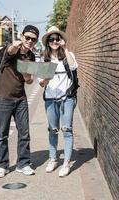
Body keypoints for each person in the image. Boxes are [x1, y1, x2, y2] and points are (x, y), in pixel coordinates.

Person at [0, 25, 39, 178]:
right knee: (2, 134)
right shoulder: (13, 50)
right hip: (3, 97)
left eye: (33, 39)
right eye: (27, 37)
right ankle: (2, 166)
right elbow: (10, 51)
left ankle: (23, 164)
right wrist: (15, 45)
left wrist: (28, 76)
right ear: (21, 36)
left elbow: (30, 80)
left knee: (24, 133)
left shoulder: (31, 57)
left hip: (21, 99)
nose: (30, 41)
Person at [39, 26, 78, 177]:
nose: (54, 41)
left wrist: (65, 48)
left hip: (67, 97)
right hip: (50, 99)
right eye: (51, 39)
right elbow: (41, 83)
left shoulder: (68, 55)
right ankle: (53, 159)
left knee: (67, 129)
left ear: (61, 40)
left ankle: (66, 163)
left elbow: (73, 66)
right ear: (47, 42)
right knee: (53, 130)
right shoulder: (44, 59)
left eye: (57, 39)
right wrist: (45, 79)